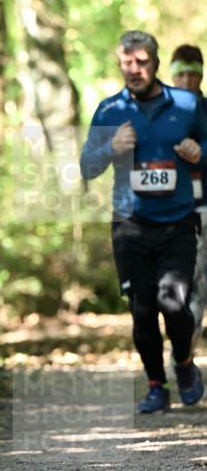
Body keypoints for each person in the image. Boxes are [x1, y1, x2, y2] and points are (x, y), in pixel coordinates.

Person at [80, 30, 207, 413]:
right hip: (129, 224)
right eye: (126, 62)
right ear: (119, 63)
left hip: (178, 222)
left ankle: (184, 363)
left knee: (175, 302)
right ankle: (156, 385)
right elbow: (87, 166)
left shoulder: (186, 104)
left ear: (154, 62)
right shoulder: (109, 110)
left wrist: (199, 151)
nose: (134, 70)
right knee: (141, 308)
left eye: (141, 62)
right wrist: (110, 147)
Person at [171, 45, 207, 347]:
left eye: (191, 75)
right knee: (173, 290)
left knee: (198, 287)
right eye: (179, 74)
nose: (185, 80)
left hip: (203, 209)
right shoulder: (158, 111)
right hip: (167, 214)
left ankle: (183, 361)